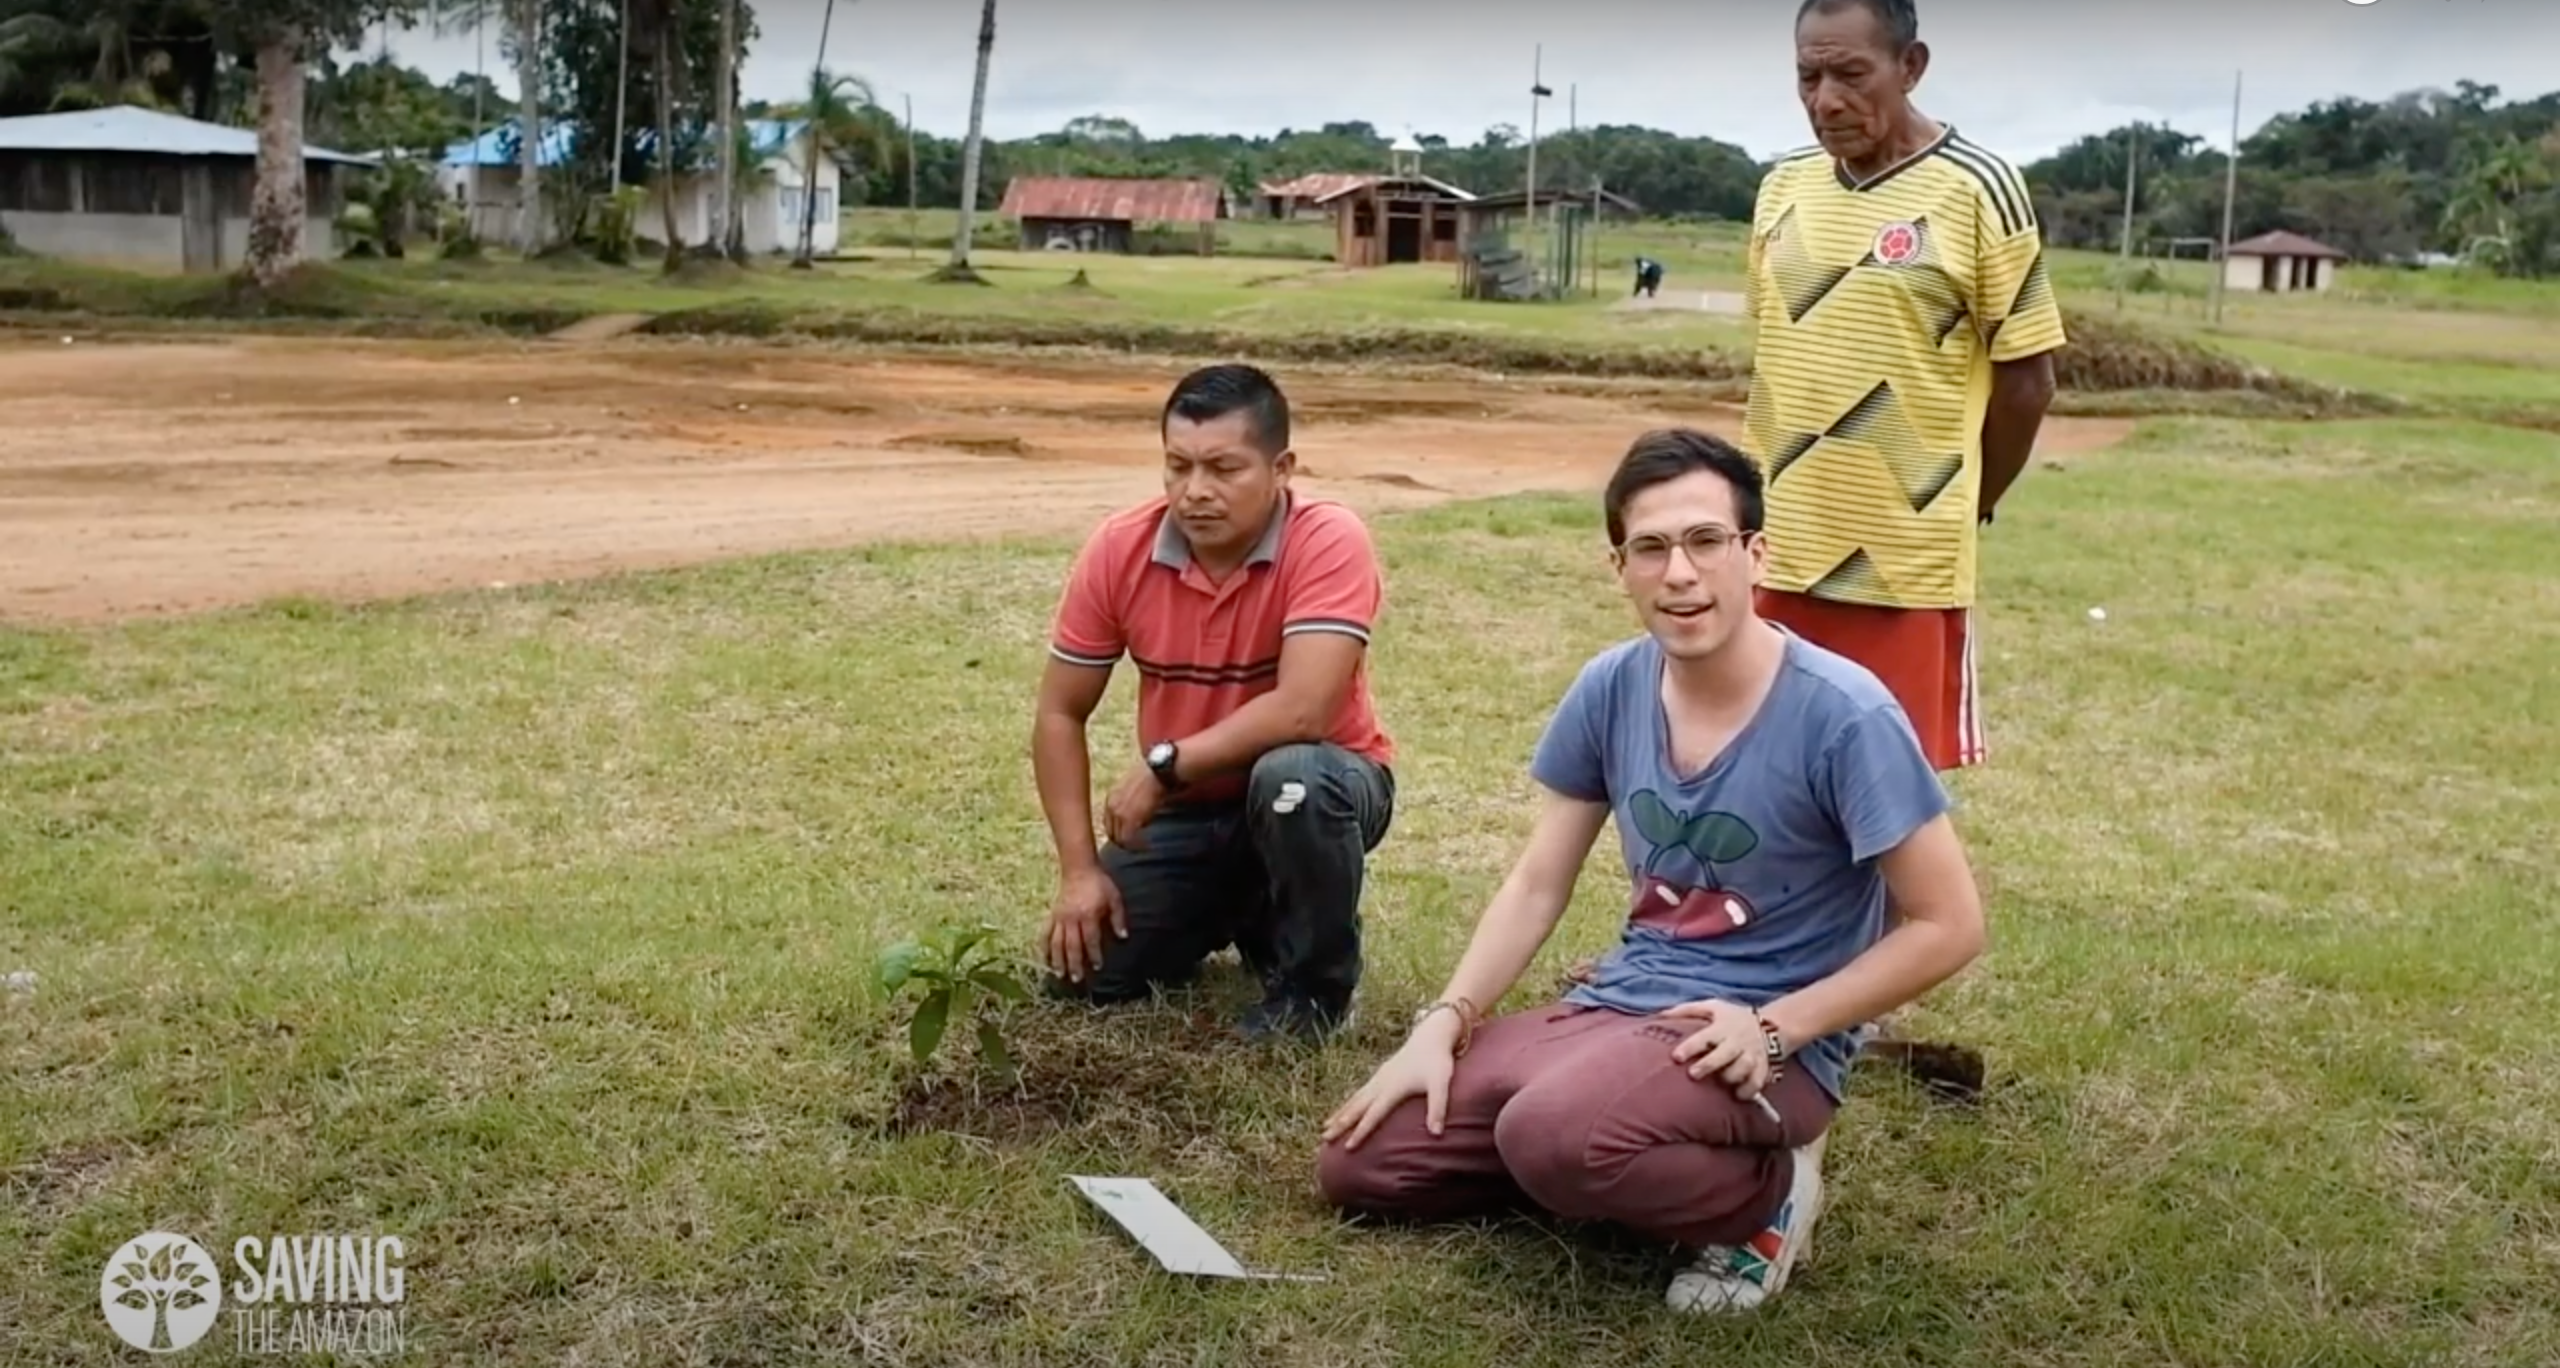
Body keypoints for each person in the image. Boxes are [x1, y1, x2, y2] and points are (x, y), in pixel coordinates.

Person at [1315, 429, 1986, 1312]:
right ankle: (1594, 1157)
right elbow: (1536, 882)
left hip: (1760, 1039)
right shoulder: (1611, 686)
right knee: (1366, 1163)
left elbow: (1950, 924)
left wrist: (1778, 1030)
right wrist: (1443, 1022)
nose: (1681, 573)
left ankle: (1766, 1195)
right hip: (1624, 1004)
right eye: (1652, 548)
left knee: (1556, 1134)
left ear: (1756, 555)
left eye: (1707, 542)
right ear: (1619, 567)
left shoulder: (1845, 714)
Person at [1743, 0, 2066, 774]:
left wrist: (1969, 497)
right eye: (1808, 76)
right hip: (1774, 547)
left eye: (1851, 74)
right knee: (1765, 769)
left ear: (1911, 66)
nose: (1827, 100)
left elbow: (2028, 382)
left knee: (1887, 786)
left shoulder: (1979, 188)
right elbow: (1776, 353)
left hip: (1902, 557)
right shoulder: (1782, 187)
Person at [1033, 362, 1396, 1042]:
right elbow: (1059, 712)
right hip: (1193, 808)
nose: (1195, 492)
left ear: (1281, 467)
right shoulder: (1120, 548)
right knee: (1086, 977)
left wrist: (1163, 765)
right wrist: (1080, 872)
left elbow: (1304, 712)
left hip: (1325, 783)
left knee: (1293, 781)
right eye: (1177, 467)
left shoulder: (1327, 538)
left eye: (1224, 469)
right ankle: (1249, 907)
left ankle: (1315, 992)